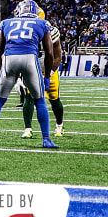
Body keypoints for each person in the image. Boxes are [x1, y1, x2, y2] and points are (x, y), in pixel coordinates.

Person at [0, 0, 57, 149]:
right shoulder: (42, 23)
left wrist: (3, 69)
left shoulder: (6, 23)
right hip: (29, 58)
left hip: (10, 59)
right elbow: (49, 52)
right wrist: (47, 76)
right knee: (39, 100)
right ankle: (46, 139)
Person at [22, 9, 67, 139]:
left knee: (54, 98)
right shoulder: (26, 33)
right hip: (33, 69)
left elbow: (58, 57)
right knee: (29, 97)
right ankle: (28, 129)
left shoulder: (52, 32)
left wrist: (48, 74)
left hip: (50, 70)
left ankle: (59, 125)